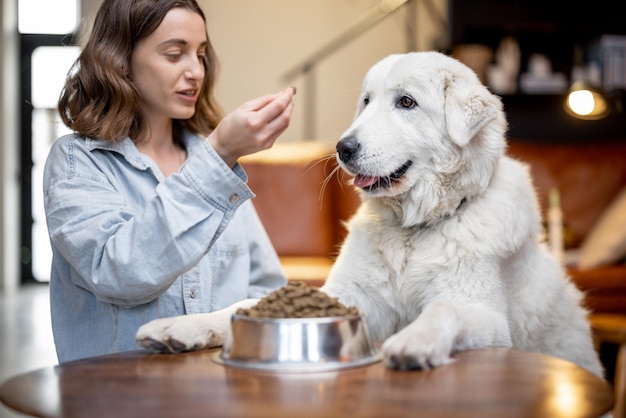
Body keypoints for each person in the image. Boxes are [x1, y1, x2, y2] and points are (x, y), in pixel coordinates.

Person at [43, 0, 296, 363]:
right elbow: (119, 272)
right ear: (121, 60)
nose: (196, 71)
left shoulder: (212, 163)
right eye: (175, 54)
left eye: (201, 54)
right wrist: (219, 154)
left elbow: (267, 289)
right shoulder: (78, 162)